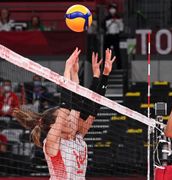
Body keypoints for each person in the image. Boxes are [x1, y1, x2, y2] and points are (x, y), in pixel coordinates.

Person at [12, 48, 115, 179]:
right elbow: (66, 108)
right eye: (64, 119)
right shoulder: (52, 141)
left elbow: (91, 109)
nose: (69, 119)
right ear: (53, 127)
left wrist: (102, 76)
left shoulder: (77, 137)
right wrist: (67, 70)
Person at [103, 3, 123, 69]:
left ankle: (119, 67)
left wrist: (116, 21)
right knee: (107, 52)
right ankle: (105, 66)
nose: (112, 10)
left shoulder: (119, 18)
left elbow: (121, 28)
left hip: (116, 36)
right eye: (111, 8)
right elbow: (104, 27)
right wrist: (111, 21)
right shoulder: (106, 18)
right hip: (108, 36)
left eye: (113, 8)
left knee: (117, 52)